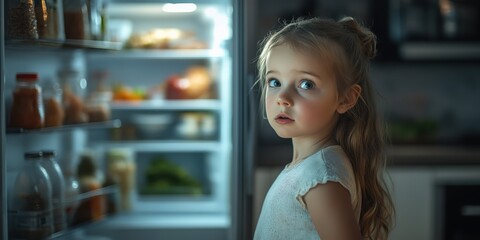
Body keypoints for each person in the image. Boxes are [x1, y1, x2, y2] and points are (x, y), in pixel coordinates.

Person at [253, 17, 395, 240]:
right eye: (274, 82)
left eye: (306, 84)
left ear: (346, 99)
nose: (282, 98)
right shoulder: (309, 168)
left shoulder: (321, 179)